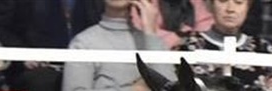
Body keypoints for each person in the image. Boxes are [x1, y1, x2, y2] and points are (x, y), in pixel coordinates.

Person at [177, 0, 272, 91]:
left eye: (238, 2)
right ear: (210, 5)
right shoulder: (190, 47)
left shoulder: (263, 49)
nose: (230, 9)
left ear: (248, 7)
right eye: (222, 1)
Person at [71, 0, 213, 46]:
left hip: (181, 64)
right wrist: (173, 38)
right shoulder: (120, 5)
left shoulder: (189, 3)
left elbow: (207, 29)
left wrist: (180, 37)